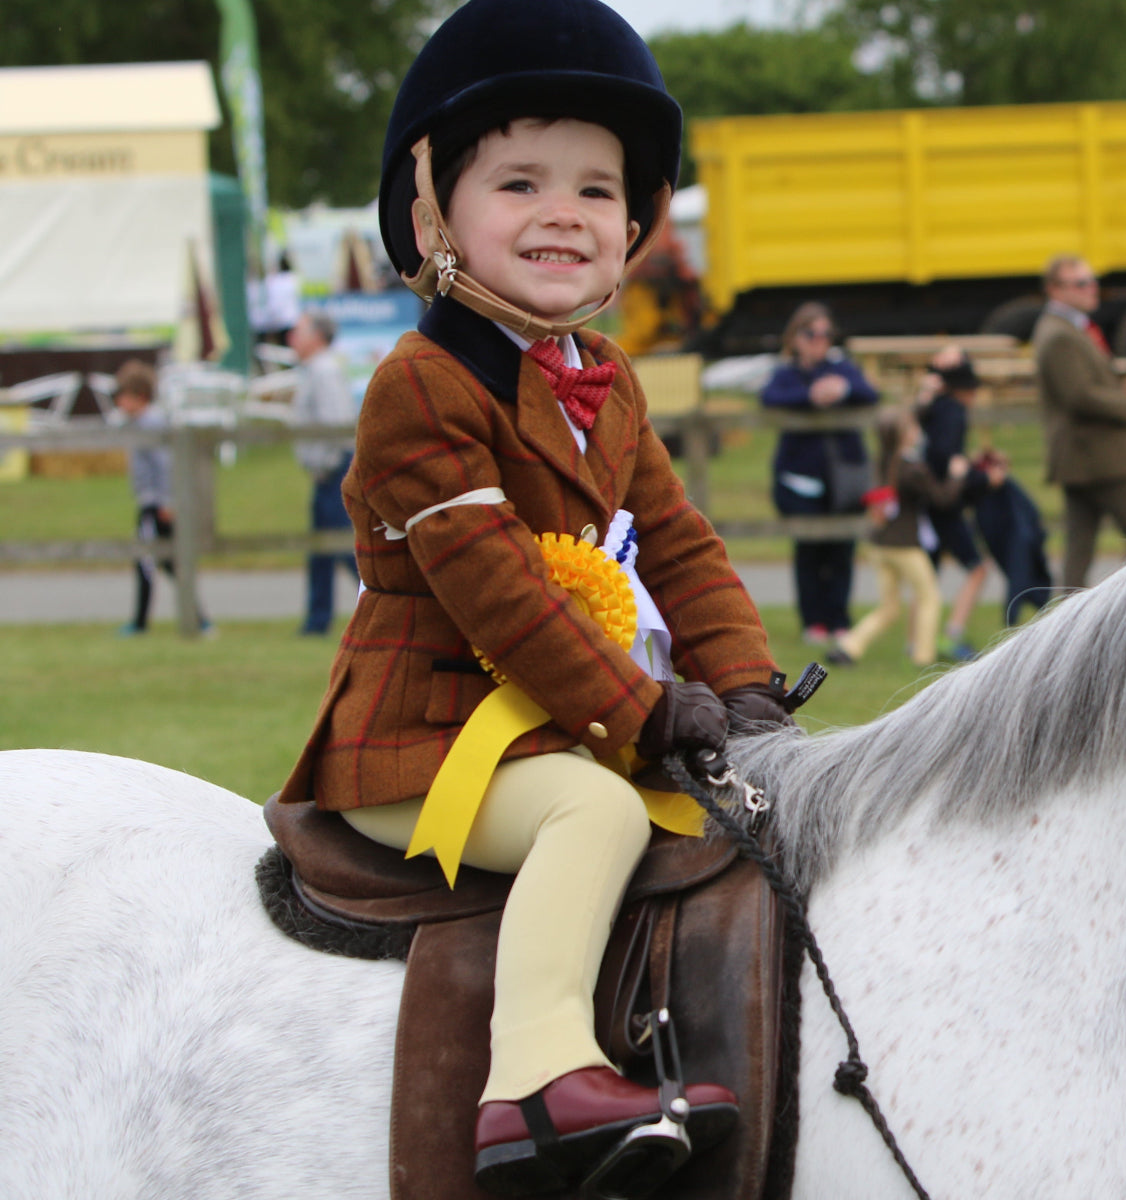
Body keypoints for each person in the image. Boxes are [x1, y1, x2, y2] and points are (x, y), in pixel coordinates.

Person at [276, 1, 791, 1194]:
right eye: (518, 183)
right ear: (432, 213)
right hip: (417, 744)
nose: (563, 212)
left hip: (556, 723)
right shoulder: (420, 386)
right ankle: (539, 1079)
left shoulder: (606, 384)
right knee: (594, 818)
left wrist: (751, 687)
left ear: (633, 225)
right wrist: (649, 711)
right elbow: (498, 593)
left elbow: (677, 544)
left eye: (597, 191)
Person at [1033, 254, 1126, 589]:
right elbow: (1078, 396)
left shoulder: (1069, 328)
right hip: (1100, 456)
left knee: (1079, 553)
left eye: (1092, 281)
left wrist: (1122, 386)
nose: (1091, 289)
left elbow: (1083, 386)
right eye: (1081, 283)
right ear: (1054, 289)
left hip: (1084, 458)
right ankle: (1119, 616)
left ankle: (1067, 632)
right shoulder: (1059, 334)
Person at [760, 302, 879, 645]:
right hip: (800, 481)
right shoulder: (786, 373)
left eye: (827, 334)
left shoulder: (843, 369)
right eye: (812, 334)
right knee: (809, 551)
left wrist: (842, 390)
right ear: (796, 337)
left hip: (844, 481)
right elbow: (770, 398)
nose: (820, 341)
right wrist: (810, 396)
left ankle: (839, 619)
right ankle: (813, 622)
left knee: (842, 551)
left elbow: (870, 393)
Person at [827, 406, 968, 668]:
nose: (918, 431)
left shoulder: (880, 461)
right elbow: (942, 499)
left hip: (878, 544)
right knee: (929, 597)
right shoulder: (912, 469)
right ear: (904, 435)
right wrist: (957, 476)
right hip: (904, 546)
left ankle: (848, 647)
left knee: (889, 607)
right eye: (913, 427)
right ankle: (923, 657)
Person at [915, 347, 1003, 661]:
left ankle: (918, 641)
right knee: (978, 568)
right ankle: (951, 635)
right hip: (944, 504)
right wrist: (983, 480)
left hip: (926, 501)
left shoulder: (933, 407)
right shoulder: (954, 411)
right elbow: (945, 459)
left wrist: (972, 465)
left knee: (928, 573)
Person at [113, 359, 212, 637]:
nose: (119, 402)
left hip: (156, 505)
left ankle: (141, 623)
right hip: (152, 502)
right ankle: (199, 619)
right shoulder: (140, 424)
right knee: (170, 563)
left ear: (140, 396)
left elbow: (165, 466)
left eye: (123, 396)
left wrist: (169, 501)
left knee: (147, 561)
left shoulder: (150, 424)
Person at [287, 310, 359, 635]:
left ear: (317, 337)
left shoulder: (325, 371)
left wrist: (327, 465)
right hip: (326, 472)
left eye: (299, 331)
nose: (292, 338)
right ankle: (317, 620)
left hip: (333, 471)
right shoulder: (314, 370)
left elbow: (335, 422)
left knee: (342, 545)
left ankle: (382, 602)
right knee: (320, 548)